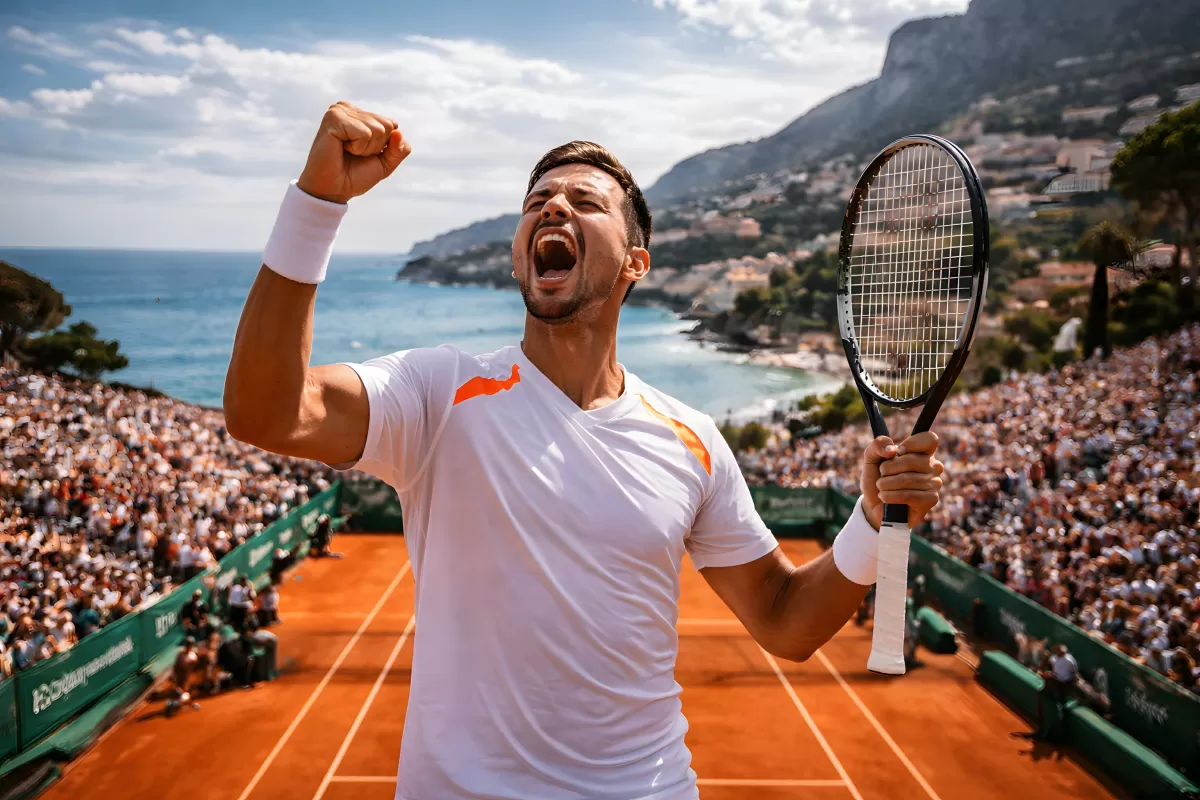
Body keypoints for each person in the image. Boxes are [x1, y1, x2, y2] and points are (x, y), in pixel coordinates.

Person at [223, 101, 946, 799]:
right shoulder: (436, 392)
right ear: (518, 256)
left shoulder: (692, 439)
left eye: (585, 201)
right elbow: (267, 411)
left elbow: (787, 621)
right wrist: (317, 203)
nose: (553, 208)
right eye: (537, 201)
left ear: (635, 263)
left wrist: (871, 519)